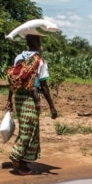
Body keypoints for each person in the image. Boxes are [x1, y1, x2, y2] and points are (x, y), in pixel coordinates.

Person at [6, 34, 58, 175]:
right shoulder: (39, 61)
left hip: (19, 97)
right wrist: (52, 106)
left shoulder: (19, 57)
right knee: (29, 130)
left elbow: (13, 81)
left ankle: (23, 163)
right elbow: (44, 85)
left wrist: (9, 99)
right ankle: (16, 157)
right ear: (37, 42)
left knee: (29, 128)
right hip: (31, 98)